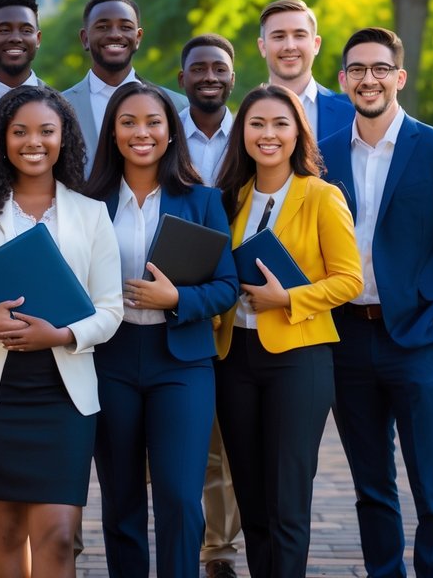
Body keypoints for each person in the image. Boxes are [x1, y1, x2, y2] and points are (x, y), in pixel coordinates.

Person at [0, 85, 124, 578]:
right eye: (20, 132)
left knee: (57, 536)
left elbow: (111, 309)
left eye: (46, 131)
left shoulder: (91, 213)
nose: (33, 142)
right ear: (2, 140)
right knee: (7, 533)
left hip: (63, 394)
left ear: (64, 139)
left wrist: (59, 336)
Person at [322, 28, 433, 578]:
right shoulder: (322, 157)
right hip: (347, 339)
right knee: (372, 488)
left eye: (379, 68)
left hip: (419, 339)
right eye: (357, 70)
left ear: (400, 76)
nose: (368, 79)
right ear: (343, 79)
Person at [84, 81, 238, 578]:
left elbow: (227, 286)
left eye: (153, 121)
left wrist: (178, 300)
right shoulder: (88, 202)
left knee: (178, 495)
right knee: (122, 496)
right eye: (128, 122)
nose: (141, 132)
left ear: (172, 132)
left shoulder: (203, 200)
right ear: (112, 133)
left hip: (183, 362)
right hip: (111, 357)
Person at [213, 84, 363, 578]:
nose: (269, 134)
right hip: (236, 357)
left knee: (288, 498)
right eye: (257, 124)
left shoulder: (322, 195)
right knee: (251, 497)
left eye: (281, 124)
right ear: (243, 134)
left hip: (299, 358)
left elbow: (349, 280)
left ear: (298, 132)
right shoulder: (230, 198)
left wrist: (289, 298)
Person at [175, 33, 240, 578]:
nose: (210, 76)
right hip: (177, 292)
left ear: (232, 75)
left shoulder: (255, 130)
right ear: (182, 79)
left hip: (244, 298)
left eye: (219, 67)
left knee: (223, 436)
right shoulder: (167, 133)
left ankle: (218, 550)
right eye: (199, 68)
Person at [62, 0, 187, 175]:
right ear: (85, 38)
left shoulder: (178, 106)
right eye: (103, 27)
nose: (115, 34)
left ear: (138, 38)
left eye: (125, 27)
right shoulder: (60, 107)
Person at [257, 0, 353, 142]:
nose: (290, 46)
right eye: (278, 36)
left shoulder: (351, 114)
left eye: (299, 35)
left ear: (316, 44)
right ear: (263, 47)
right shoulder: (245, 117)